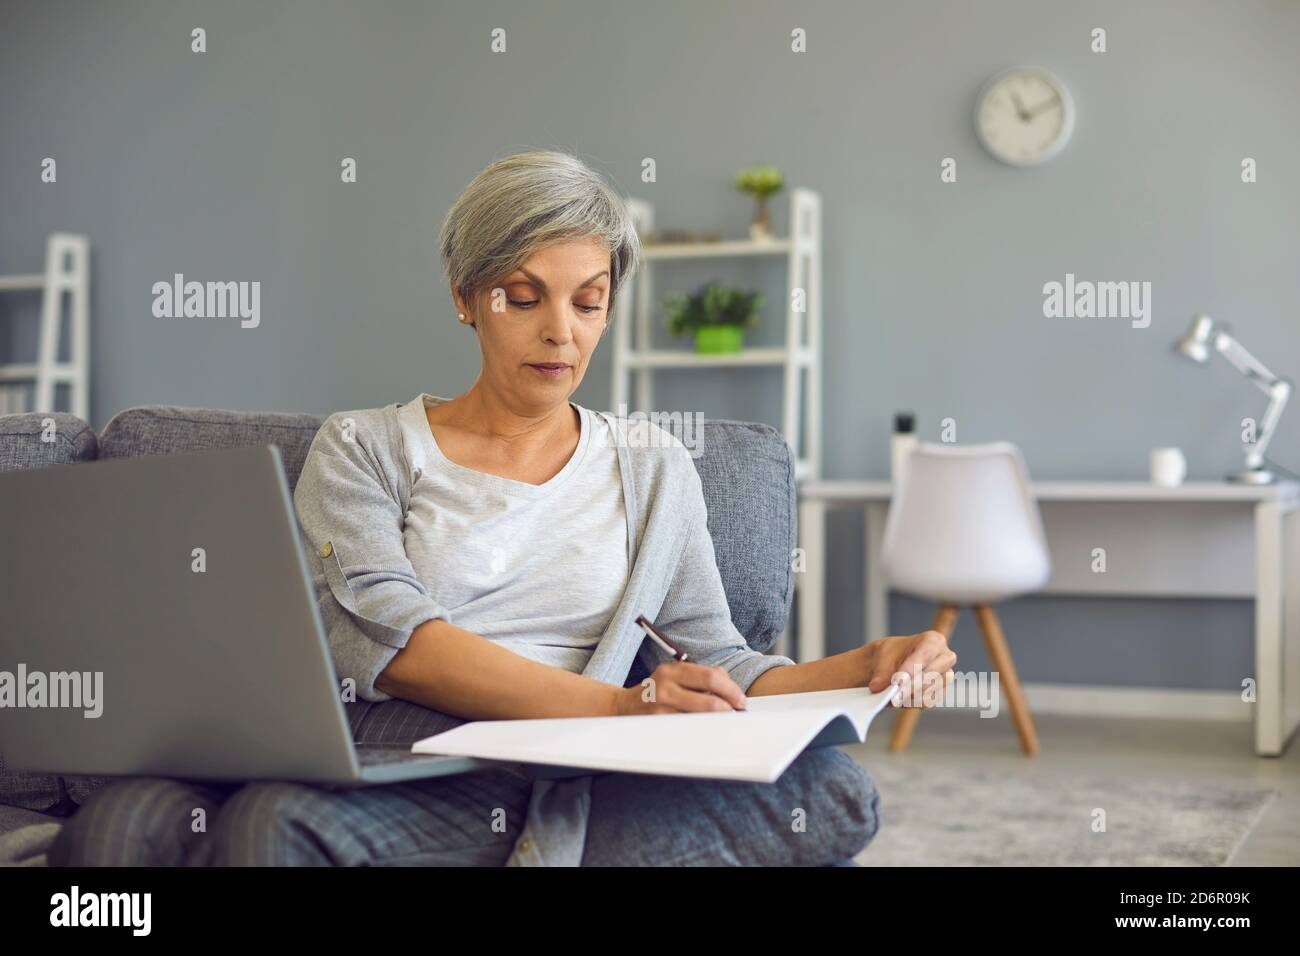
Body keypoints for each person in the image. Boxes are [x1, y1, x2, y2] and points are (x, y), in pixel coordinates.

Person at [50, 150, 954, 866]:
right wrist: (622, 708)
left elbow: (715, 658)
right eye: (523, 297)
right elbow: (396, 645)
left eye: (588, 302)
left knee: (272, 831)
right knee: (118, 826)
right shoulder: (364, 446)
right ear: (464, 298)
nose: (560, 330)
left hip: (543, 765)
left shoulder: (650, 467)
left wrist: (866, 661)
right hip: (394, 746)